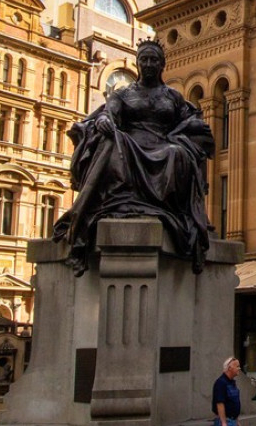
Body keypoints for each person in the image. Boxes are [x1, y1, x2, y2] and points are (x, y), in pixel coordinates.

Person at [55, 39, 215, 274]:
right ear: (138, 64)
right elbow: (107, 114)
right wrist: (103, 121)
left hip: (164, 143)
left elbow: (191, 122)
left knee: (177, 153)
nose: (148, 64)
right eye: (144, 60)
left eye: (153, 60)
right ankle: (87, 219)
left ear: (162, 65)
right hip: (130, 143)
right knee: (111, 143)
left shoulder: (173, 96)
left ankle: (160, 207)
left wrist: (189, 130)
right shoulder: (123, 94)